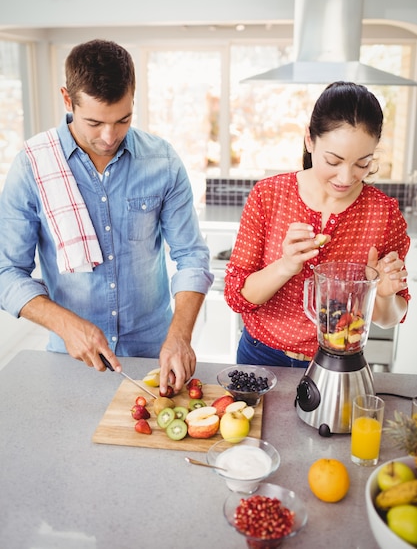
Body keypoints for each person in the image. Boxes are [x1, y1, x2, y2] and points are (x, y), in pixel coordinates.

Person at [0, 39, 213, 393]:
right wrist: (67, 325)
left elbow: (191, 255)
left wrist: (180, 335)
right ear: (68, 100)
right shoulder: (32, 165)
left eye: (123, 119)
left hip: (154, 354)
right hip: (73, 357)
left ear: (133, 97)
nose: (109, 136)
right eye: (95, 122)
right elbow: (6, 273)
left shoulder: (162, 161)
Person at [224, 81, 410, 367]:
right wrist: (286, 265)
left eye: (363, 163)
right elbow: (238, 297)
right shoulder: (268, 196)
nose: (345, 177)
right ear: (310, 141)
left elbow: (391, 318)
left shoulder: (383, 214)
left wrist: (382, 294)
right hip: (260, 355)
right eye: (333, 161)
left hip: (338, 362)